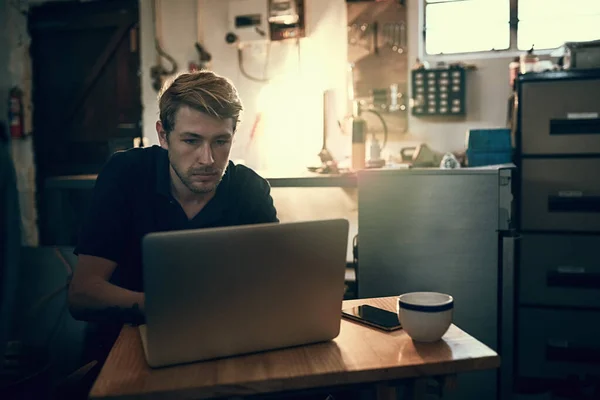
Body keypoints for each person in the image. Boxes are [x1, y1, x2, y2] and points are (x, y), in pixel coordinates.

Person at [67, 70, 279, 364]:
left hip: (222, 348)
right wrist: (170, 308)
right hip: (124, 351)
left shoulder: (250, 189)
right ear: (163, 136)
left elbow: (273, 289)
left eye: (221, 142)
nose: (208, 159)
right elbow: (82, 295)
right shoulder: (126, 175)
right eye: (191, 141)